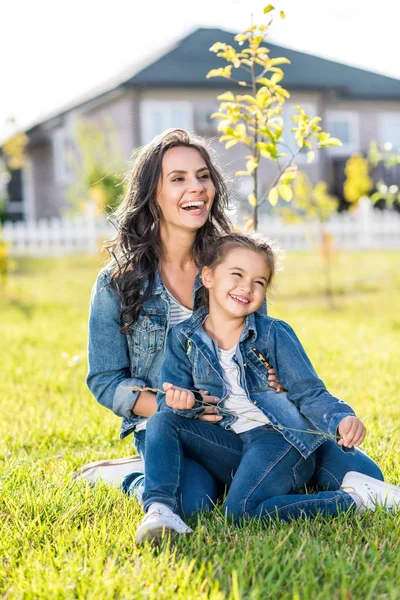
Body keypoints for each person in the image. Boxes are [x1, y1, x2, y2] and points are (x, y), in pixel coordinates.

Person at [135, 232, 400, 544]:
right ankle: (160, 509)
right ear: (207, 276)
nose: (247, 287)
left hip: (279, 439)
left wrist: (341, 417)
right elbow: (172, 400)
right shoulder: (182, 338)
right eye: (237, 275)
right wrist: (182, 400)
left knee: (242, 511)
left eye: (259, 282)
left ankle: (354, 499)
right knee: (162, 420)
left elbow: (309, 391)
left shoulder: (273, 334)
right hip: (231, 442)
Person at [85, 129, 281, 515]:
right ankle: (131, 475)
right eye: (178, 179)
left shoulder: (232, 265)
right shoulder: (118, 282)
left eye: (203, 175)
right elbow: (105, 380)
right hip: (167, 428)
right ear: (151, 195)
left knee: (285, 477)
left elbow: (257, 345)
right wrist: (170, 409)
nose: (197, 187)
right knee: (192, 503)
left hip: (239, 423)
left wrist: (271, 375)